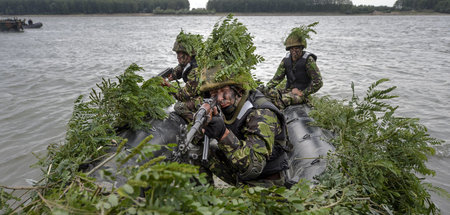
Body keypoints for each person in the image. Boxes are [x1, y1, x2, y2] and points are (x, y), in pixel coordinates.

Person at [197, 65, 291, 188]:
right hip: (240, 171)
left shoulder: (261, 113)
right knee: (195, 151)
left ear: (238, 90)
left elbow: (254, 167)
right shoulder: (227, 106)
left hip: (266, 180)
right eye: (214, 94)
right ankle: (204, 201)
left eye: (224, 91)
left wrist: (223, 134)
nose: (220, 99)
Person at [263, 24, 323, 109]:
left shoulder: (308, 61)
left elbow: (318, 82)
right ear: (289, 49)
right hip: (288, 91)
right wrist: (267, 88)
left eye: (297, 48)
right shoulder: (286, 60)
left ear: (302, 48)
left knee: (283, 100)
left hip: (300, 93)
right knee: (268, 93)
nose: (294, 51)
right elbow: (277, 78)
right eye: (292, 49)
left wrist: (303, 93)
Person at [165, 31, 203, 122]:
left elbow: (183, 96)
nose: (178, 57)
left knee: (179, 107)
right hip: (198, 94)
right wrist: (172, 76)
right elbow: (181, 68)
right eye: (177, 54)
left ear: (188, 54)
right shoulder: (191, 61)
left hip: (205, 98)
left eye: (180, 54)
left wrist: (168, 87)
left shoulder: (196, 70)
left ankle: (197, 124)